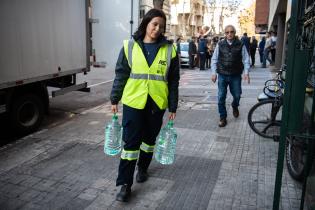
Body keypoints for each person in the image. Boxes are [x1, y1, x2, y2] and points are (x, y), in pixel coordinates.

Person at [110, 8, 179, 202]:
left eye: (161, 26)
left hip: (157, 102)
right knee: (130, 144)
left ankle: (143, 168)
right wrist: (114, 99)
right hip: (133, 101)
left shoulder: (169, 49)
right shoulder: (129, 46)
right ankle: (125, 184)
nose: (157, 29)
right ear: (146, 23)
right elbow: (121, 74)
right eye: (154, 24)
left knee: (149, 141)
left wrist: (173, 106)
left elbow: (173, 81)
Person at [211, 25, 250, 127]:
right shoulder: (220, 44)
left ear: (234, 33)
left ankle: (234, 105)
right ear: (225, 34)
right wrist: (214, 73)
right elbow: (214, 59)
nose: (229, 34)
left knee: (237, 95)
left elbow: (246, 59)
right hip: (222, 75)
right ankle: (223, 117)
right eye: (227, 32)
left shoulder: (241, 44)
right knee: (221, 97)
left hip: (235, 75)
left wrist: (246, 73)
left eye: (231, 32)